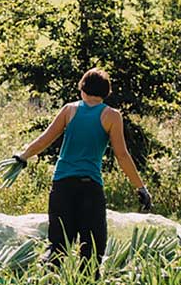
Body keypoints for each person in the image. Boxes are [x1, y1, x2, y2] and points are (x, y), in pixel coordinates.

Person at [8, 67, 152, 262]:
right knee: (92, 247)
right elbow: (122, 155)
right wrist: (140, 187)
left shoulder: (69, 110)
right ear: (106, 92)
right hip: (89, 186)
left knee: (58, 245)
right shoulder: (111, 116)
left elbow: (45, 140)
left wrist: (23, 156)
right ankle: (87, 281)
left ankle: (48, 277)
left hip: (62, 184)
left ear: (82, 89)